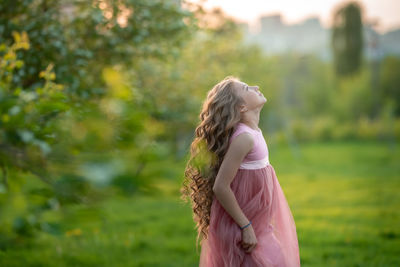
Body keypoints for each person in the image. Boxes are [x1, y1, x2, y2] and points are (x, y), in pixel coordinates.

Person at [180, 76, 300, 266]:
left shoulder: (254, 132)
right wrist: (245, 226)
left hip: (259, 224)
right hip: (243, 224)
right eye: (246, 88)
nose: (256, 86)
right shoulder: (244, 138)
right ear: (242, 107)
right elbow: (221, 186)